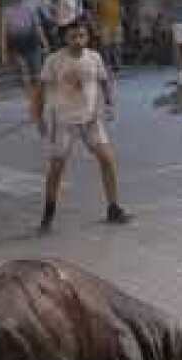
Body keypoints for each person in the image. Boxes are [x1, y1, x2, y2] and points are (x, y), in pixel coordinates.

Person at [32, 20, 131, 232]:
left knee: (107, 159)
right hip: (63, 122)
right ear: (65, 38)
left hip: (90, 120)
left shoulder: (94, 57)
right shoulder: (54, 61)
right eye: (73, 37)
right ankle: (48, 213)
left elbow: (104, 81)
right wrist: (38, 118)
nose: (78, 40)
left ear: (87, 37)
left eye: (82, 36)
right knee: (57, 169)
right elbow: (39, 92)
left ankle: (113, 207)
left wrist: (110, 103)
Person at [2, 0, 50, 102]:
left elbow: (37, 26)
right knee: (24, 71)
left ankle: (39, 94)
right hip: (16, 42)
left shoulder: (29, 8)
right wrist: (4, 52)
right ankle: (31, 97)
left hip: (31, 40)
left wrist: (44, 42)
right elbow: (4, 31)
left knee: (36, 71)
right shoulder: (6, 11)